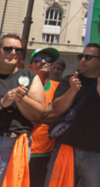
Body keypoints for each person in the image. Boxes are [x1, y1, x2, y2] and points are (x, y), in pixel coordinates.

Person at [47, 43, 100, 187]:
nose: (83, 60)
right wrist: (72, 91)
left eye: (88, 57)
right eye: (81, 57)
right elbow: (57, 109)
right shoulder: (70, 80)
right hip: (67, 149)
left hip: (98, 154)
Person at [0, 34, 45, 181]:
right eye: (7, 48)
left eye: (17, 50)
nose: (13, 52)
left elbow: (38, 113)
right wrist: (3, 102)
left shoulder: (30, 77)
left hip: (14, 143)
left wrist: (21, 99)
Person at [28, 47, 61, 187]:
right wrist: (48, 113)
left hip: (50, 152)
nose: (43, 61)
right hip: (25, 149)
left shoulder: (59, 87)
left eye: (47, 59)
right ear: (31, 66)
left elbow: (61, 114)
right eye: (38, 59)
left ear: (52, 65)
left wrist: (35, 115)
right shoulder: (23, 85)